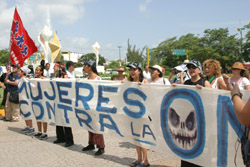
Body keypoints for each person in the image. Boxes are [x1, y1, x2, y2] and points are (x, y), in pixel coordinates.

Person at [175, 60, 210, 167]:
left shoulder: (205, 83)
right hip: (187, 122)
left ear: (199, 70)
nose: (191, 70)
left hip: (200, 122)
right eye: (189, 68)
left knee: (200, 150)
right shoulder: (186, 83)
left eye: (193, 67)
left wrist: (204, 91)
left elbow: (213, 101)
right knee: (186, 147)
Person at [127, 62, 150, 167]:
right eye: (130, 69)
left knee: (142, 138)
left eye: (134, 69)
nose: (132, 71)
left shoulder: (144, 81)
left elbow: (151, 95)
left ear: (139, 71)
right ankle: (139, 158)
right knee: (135, 138)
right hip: (132, 113)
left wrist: (144, 87)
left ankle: (145, 161)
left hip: (142, 114)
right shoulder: (129, 82)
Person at [82, 60, 105, 156]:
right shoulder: (87, 79)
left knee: (97, 126)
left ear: (89, 67)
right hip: (88, 106)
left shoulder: (98, 79)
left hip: (96, 107)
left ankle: (101, 146)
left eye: (85, 66)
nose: (84, 68)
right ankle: (91, 143)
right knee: (89, 125)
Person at [53, 62, 74, 147]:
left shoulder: (65, 76)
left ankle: (69, 139)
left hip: (65, 100)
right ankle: (60, 137)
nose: (53, 68)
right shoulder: (56, 76)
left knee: (66, 120)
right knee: (58, 118)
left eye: (54, 67)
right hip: (58, 100)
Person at [18, 66, 35, 134]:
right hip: (21, 98)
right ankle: (27, 126)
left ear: (23, 72)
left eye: (20, 71)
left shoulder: (26, 79)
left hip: (26, 98)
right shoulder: (21, 79)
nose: (18, 72)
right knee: (24, 113)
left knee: (28, 113)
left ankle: (31, 127)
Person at [33, 65, 48, 139]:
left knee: (44, 116)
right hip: (36, 99)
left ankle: (45, 132)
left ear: (41, 72)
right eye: (36, 70)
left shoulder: (44, 79)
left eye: (38, 70)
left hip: (43, 99)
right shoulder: (34, 79)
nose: (36, 71)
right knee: (38, 115)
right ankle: (39, 131)